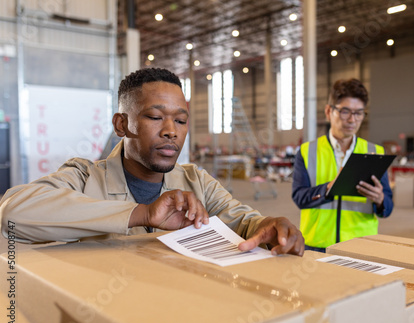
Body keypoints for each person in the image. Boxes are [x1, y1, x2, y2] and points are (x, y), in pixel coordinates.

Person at [0, 68, 304, 256]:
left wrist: (269, 226)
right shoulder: (85, 178)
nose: (171, 130)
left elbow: (243, 220)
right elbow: (14, 215)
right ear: (122, 125)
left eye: (181, 120)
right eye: (155, 117)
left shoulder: (195, 181)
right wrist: (141, 213)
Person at [292, 78, 393, 252]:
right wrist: (329, 188)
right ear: (328, 111)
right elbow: (300, 198)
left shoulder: (374, 152)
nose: (352, 120)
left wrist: (380, 200)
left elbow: (388, 207)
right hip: (317, 246)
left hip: (362, 248)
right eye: (345, 111)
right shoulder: (307, 151)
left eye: (359, 113)